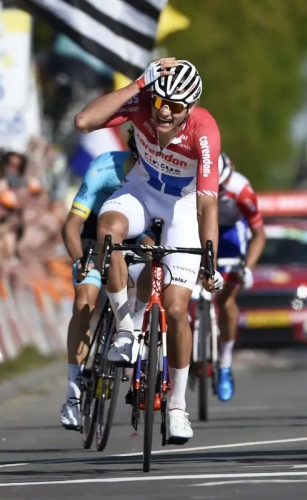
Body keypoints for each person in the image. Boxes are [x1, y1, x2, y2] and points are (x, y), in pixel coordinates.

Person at [74, 58, 224, 443]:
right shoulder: (143, 104)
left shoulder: (203, 130)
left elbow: (208, 204)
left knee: (176, 310)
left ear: (189, 108)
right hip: (140, 192)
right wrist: (141, 83)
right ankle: (125, 329)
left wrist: (209, 257)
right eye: (160, 102)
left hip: (183, 208)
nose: (165, 112)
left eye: (175, 107)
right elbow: (83, 122)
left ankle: (176, 406)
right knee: (109, 231)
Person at [59, 133, 153, 429]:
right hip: (95, 235)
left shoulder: (160, 172)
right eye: (140, 159)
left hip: (136, 236)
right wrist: (81, 262)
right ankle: (74, 392)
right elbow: (71, 226)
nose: (144, 165)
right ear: (132, 151)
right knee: (84, 301)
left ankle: (134, 324)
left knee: (155, 266)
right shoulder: (104, 167)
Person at [214, 153, 266, 401]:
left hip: (232, 234)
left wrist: (247, 267)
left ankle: (224, 364)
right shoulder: (191, 184)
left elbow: (259, 235)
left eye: (220, 188)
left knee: (226, 300)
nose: (218, 192)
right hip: (201, 229)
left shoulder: (241, 189)